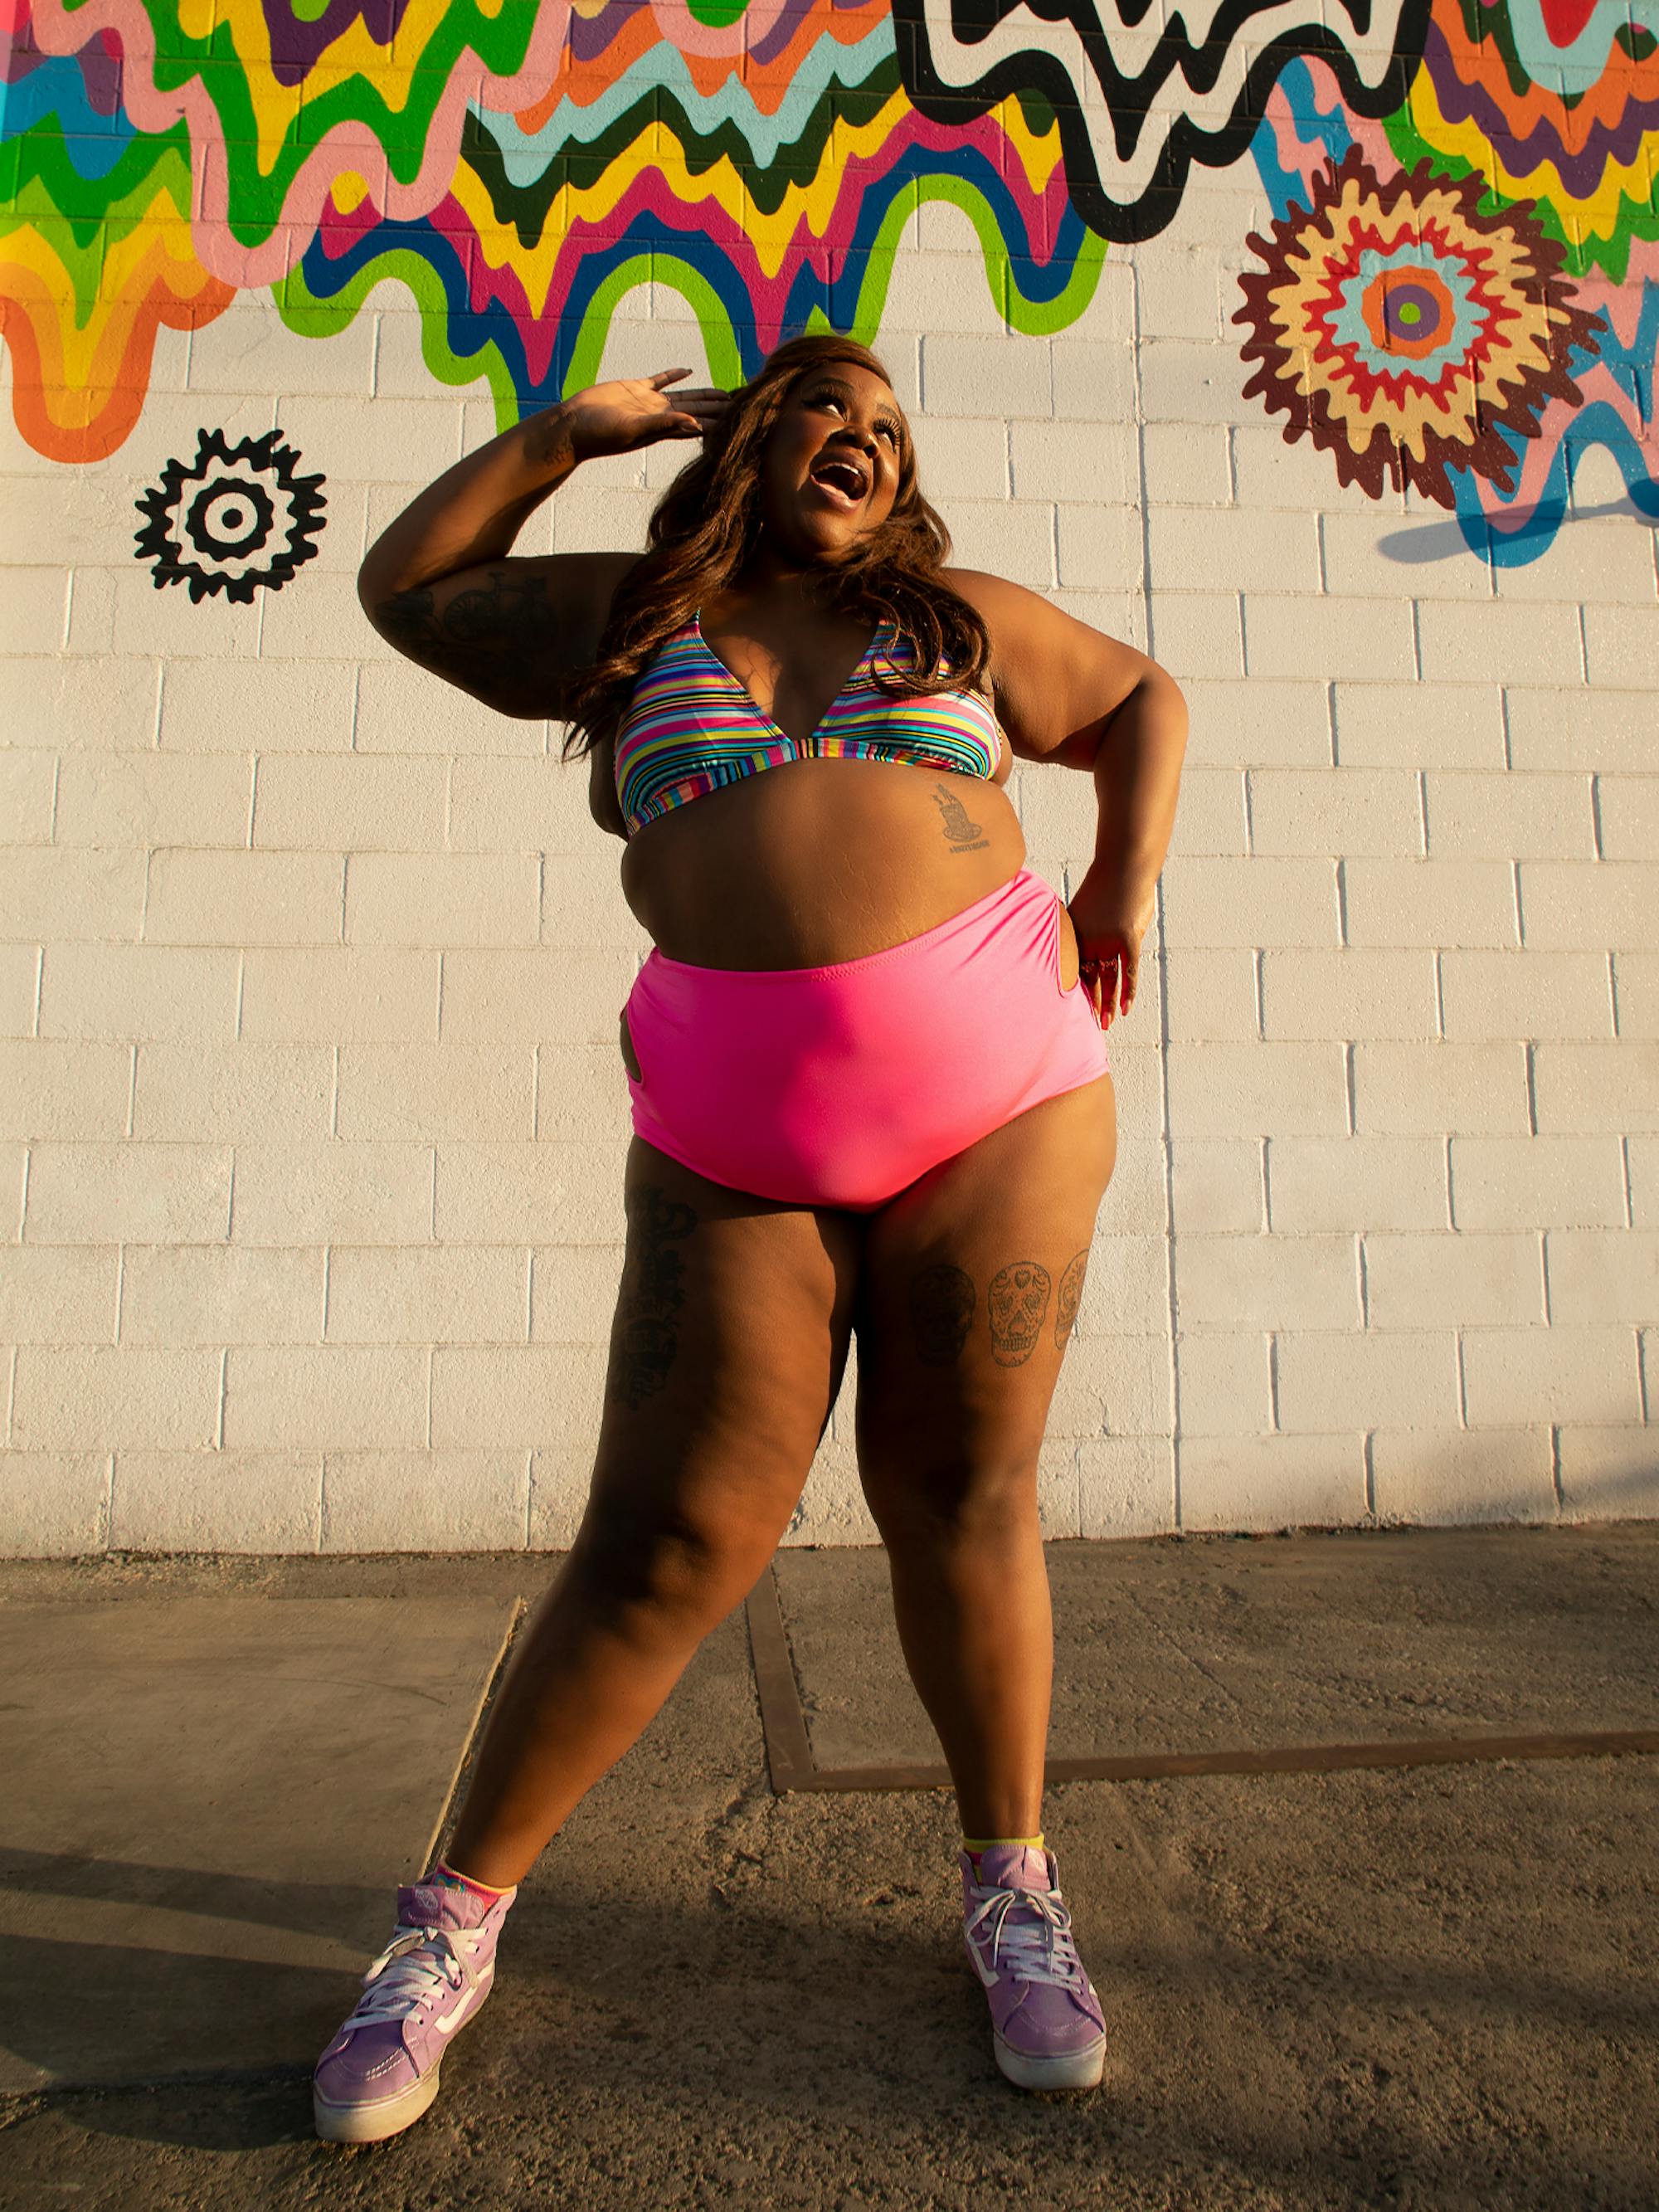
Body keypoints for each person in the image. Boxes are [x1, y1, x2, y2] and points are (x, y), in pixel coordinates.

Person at [311, 337, 1187, 2143]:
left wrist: (1119, 880)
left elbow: (1142, 698)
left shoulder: (953, 620)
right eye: (824, 406)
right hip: (730, 1125)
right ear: (747, 434)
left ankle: (1010, 1887)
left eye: (887, 425)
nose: (858, 438)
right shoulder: (630, 619)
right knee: (668, 1536)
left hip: (1000, 1100)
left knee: (963, 1496)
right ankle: (447, 1925)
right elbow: (407, 587)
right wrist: (567, 431)